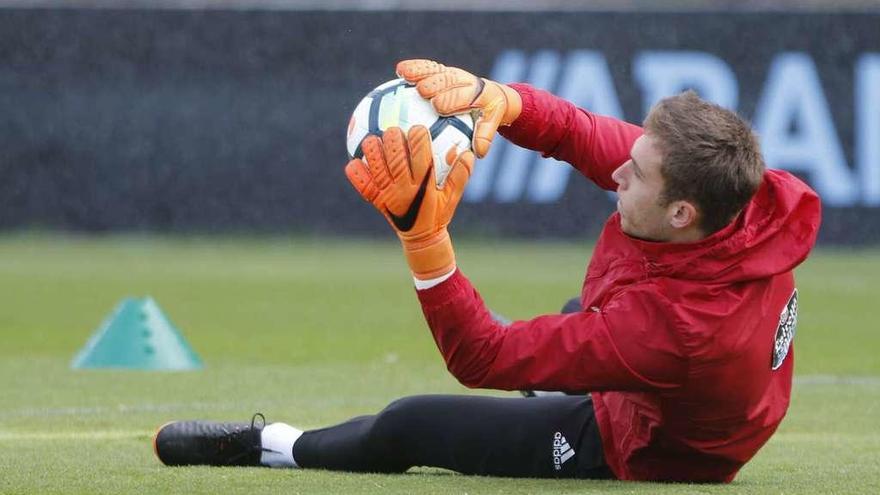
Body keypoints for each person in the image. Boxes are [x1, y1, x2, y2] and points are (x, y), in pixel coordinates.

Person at [153, 59, 821, 482]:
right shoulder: (735, 189)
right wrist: (494, 97)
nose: (619, 169)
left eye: (636, 173)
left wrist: (424, 238)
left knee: (410, 423)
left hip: (657, 450)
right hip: (703, 392)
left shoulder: (670, 331)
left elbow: (482, 355)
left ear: (681, 213)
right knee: (572, 316)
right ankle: (554, 387)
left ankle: (269, 444)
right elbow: (574, 129)